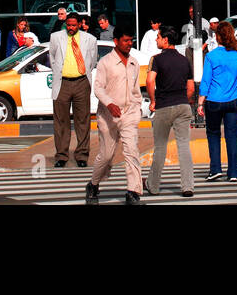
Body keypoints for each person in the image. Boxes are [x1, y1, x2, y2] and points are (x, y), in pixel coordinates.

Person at [85, 27, 144, 205]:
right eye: (125, 41)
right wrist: (110, 104)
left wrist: (137, 108)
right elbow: (98, 88)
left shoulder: (134, 62)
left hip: (129, 114)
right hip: (108, 115)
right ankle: (93, 184)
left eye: (131, 40)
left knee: (131, 151)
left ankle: (133, 192)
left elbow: (135, 90)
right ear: (116, 41)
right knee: (107, 155)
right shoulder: (105, 63)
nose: (129, 44)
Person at [144, 25, 195, 198]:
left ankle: (153, 185)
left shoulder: (156, 59)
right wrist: (182, 98)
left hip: (164, 106)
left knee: (160, 147)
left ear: (166, 40)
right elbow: (190, 88)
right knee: (184, 146)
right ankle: (188, 186)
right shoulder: (184, 60)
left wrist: (153, 100)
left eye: (158, 37)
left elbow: (150, 81)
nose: (156, 40)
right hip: (183, 105)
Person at [198, 21, 237, 182]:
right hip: (234, 99)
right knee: (232, 135)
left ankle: (216, 169)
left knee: (213, 134)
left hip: (214, 100)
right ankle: (233, 173)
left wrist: (200, 103)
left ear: (218, 37)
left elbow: (206, 81)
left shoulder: (211, 56)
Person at [49, 11, 97, 168]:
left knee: (82, 121)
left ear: (79, 24)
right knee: (61, 121)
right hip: (62, 83)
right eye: (68, 25)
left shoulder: (90, 39)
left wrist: (81, 74)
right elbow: (53, 58)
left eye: (74, 25)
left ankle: (82, 155)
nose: (70, 28)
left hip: (81, 83)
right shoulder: (56, 37)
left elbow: (92, 61)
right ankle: (61, 156)